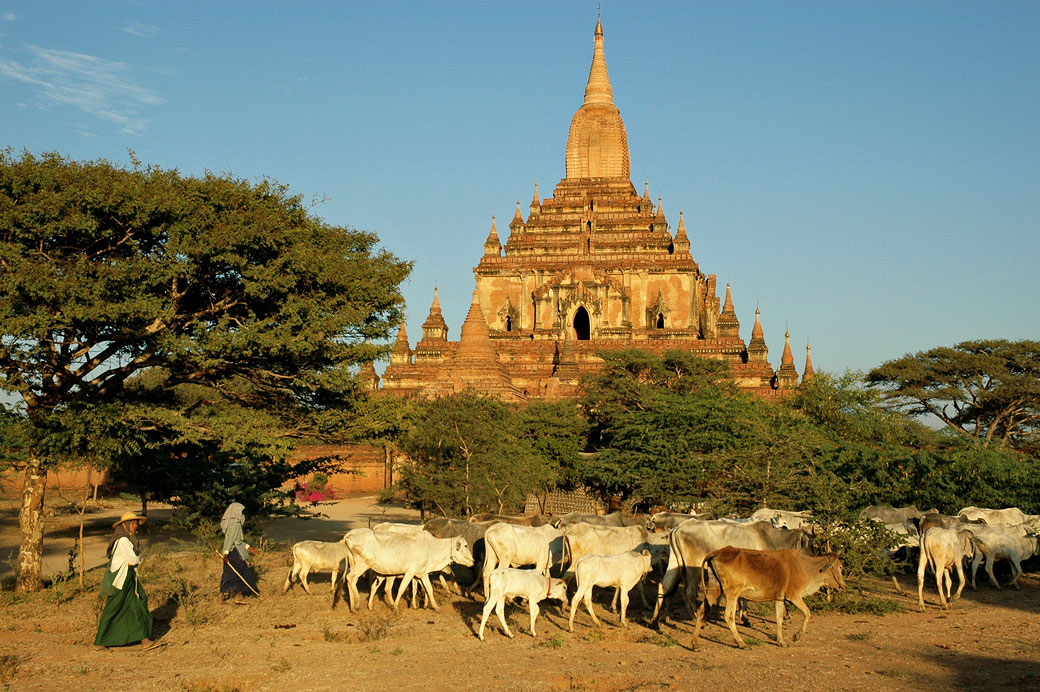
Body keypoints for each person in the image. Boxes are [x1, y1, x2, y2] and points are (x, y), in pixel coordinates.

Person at [94, 512, 156, 651]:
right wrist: (140, 560)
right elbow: (132, 559)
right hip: (121, 580)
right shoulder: (123, 541)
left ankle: (145, 640)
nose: (136, 526)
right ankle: (100, 641)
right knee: (113, 608)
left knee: (137, 606)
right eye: (133, 523)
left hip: (129, 579)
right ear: (125, 525)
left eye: (136, 523)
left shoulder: (128, 539)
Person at [219, 502, 260, 601]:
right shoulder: (236, 525)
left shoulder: (229, 523)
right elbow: (231, 540)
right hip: (234, 553)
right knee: (243, 572)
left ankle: (221, 597)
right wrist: (226, 554)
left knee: (229, 573)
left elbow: (238, 541)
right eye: (241, 512)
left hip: (229, 552)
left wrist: (249, 547)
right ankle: (240, 595)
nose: (242, 515)